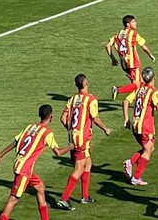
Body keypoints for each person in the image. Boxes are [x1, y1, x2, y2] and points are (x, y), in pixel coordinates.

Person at [0, 104, 73, 220]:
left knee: (40, 187)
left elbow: (15, 142)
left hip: (23, 166)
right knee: (13, 199)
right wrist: (70, 147)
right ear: (50, 116)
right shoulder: (47, 133)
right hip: (24, 170)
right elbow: (58, 152)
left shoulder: (30, 127)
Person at [58, 74, 111, 211]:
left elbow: (63, 118)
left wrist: (72, 130)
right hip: (82, 139)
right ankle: (64, 198)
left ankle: (85, 197)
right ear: (86, 83)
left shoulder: (72, 99)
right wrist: (105, 128)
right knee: (79, 168)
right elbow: (95, 118)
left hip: (74, 137)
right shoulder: (91, 99)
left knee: (88, 164)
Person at [122, 66, 158, 186]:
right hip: (145, 126)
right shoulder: (154, 92)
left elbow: (125, 101)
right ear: (154, 77)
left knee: (149, 148)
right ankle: (136, 176)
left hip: (136, 124)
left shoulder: (139, 89)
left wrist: (126, 118)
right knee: (148, 150)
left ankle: (131, 162)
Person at [106, 14, 156, 98]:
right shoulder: (133, 34)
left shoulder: (117, 35)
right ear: (128, 24)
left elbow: (107, 45)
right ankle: (117, 90)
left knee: (141, 83)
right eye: (133, 22)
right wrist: (150, 55)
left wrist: (113, 59)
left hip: (124, 64)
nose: (136, 23)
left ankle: (141, 99)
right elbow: (143, 46)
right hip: (133, 63)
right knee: (137, 84)